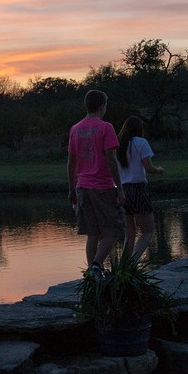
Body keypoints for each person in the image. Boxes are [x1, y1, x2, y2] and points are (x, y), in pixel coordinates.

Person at [67, 90, 125, 277]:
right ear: (102, 107)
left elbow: (71, 161)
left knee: (92, 232)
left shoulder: (75, 129)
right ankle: (96, 266)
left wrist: (71, 188)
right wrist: (120, 188)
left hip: (82, 186)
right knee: (113, 230)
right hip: (102, 186)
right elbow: (111, 160)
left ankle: (92, 274)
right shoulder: (106, 127)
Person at [116, 116, 164, 263]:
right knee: (148, 231)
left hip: (123, 190)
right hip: (138, 189)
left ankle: (123, 266)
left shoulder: (118, 145)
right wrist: (159, 170)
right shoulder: (141, 143)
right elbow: (149, 168)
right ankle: (132, 263)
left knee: (129, 235)